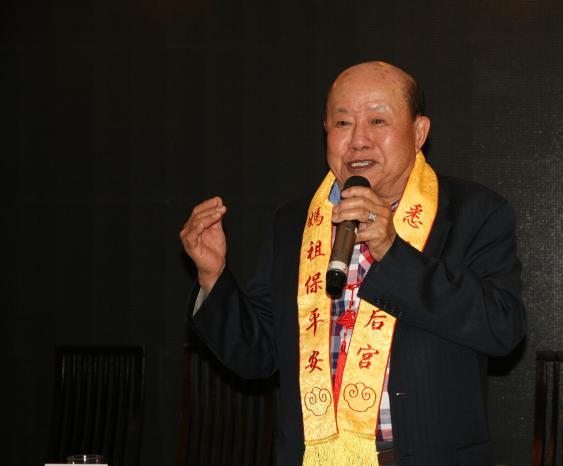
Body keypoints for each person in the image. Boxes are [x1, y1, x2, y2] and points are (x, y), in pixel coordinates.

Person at [180, 61, 526, 466]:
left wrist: (392, 251)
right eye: (343, 123)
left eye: (378, 121)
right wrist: (213, 277)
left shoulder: (473, 213)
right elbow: (258, 355)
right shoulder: (294, 223)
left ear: (418, 132)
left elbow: (502, 328)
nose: (359, 141)